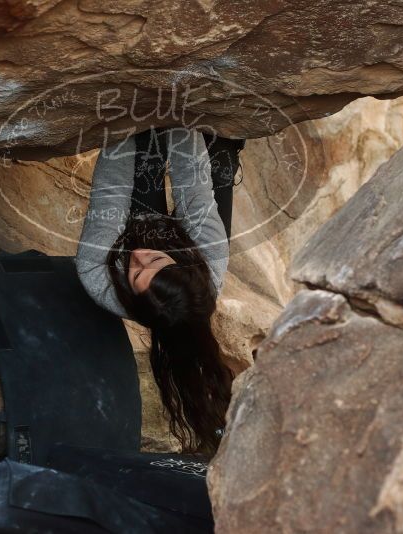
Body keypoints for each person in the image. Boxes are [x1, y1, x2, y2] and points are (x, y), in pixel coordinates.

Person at [76, 126, 245, 455]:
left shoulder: (98, 276)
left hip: (143, 236)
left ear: (133, 295)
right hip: (189, 252)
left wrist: (128, 117)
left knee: (143, 153)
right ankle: (221, 146)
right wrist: (176, 113)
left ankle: (148, 144)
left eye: (138, 271)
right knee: (217, 160)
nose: (138, 259)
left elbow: (109, 191)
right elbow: (193, 184)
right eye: (150, 261)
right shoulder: (209, 258)